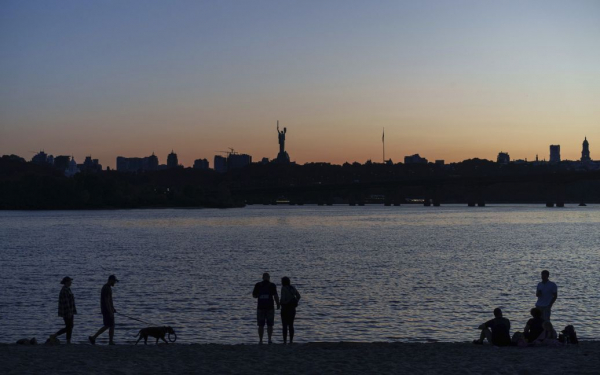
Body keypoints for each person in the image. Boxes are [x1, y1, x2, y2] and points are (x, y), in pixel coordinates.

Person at [89, 275, 118, 345]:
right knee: (108, 325)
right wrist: (110, 311)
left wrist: (113, 308)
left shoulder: (108, 288)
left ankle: (110, 340)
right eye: (114, 281)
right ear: (110, 280)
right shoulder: (106, 288)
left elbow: (109, 300)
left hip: (108, 310)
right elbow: (106, 301)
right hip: (106, 310)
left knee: (111, 325)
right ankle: (94, 337)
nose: (115, 283)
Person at [252, 273, 280, 344]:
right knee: (270, 324)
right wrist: (278, 304)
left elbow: (254, 295)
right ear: (269, 278)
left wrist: (259, 296)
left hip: (260, 307)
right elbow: (275, 296)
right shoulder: (272, 285)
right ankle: (269, 339)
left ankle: (261, 340)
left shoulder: (258, 285)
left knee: (261, 325)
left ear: (262, 277)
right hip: (270, 307)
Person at [49, 276, 77, 344]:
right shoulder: (65, 290)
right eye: (70, 281)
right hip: (67, 311)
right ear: (66, 282)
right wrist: (69, 312)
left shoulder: (67, 289)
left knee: (70, 326)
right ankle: (54, 335)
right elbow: (66, 302)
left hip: (70, 310)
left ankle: (68, 340)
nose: (71, 282)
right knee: (69, 327)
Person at [280, 277, 301, 344]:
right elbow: (298, 296)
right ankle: (291, 341)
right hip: (292, 308)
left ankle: (285, 341)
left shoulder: (283, 288)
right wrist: (295, 301)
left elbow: (283, 299)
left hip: (285, 308)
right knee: (291, 325)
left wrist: (285, 302)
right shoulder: (293, 288)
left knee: (284, 325)